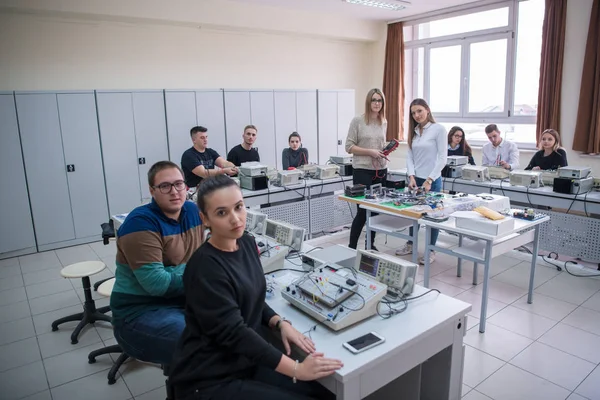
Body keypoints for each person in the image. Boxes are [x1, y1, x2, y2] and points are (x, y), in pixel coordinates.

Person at [169, 175, 342, 400]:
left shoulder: (247, 243)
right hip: (210, 377)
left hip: (244, 362)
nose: (235, 219)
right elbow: (235, 333)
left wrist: (279, 323)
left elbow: (251, 295)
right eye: (222, 213)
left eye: (239, 207)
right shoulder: (204, 268)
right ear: (205, 219)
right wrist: (298, 369)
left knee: (324, 393)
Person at [111, 161, 204, 366]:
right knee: (197, 343)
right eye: (165, 186)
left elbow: (211, 253)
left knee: (238, 318)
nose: (174, 191)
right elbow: (157, 283)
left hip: (182, 299)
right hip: (139, 312)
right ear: (152, 191)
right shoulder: (140, 223)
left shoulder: (192, 212)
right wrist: (201, 271)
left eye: (179, 184)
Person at [395, 98, 447, 265]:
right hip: (416, 180)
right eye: (413, 113)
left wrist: (430, 179)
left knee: (433, 217)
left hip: (433, 180)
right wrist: (411, 176)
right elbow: (409, 156)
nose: (416, 115)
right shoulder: (415, 131)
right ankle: (411, 244)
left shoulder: (438, 130)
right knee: (413, 215)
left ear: (427, 110)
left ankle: (431, 250)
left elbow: (442, 158)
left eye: (419, 111)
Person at [345, 88, 388, 251]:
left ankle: (370, 245)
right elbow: (349, 147)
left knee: (375, 210)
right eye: (374, 100)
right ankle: (351, 247)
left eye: (380, 100)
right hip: (362, 170)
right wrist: (370, 152)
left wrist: (385, 149)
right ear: (368, 102)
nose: (377, 103)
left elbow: (380, 144)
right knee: (363, 211)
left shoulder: (384, 121)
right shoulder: (358, 121)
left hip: (380, 170)